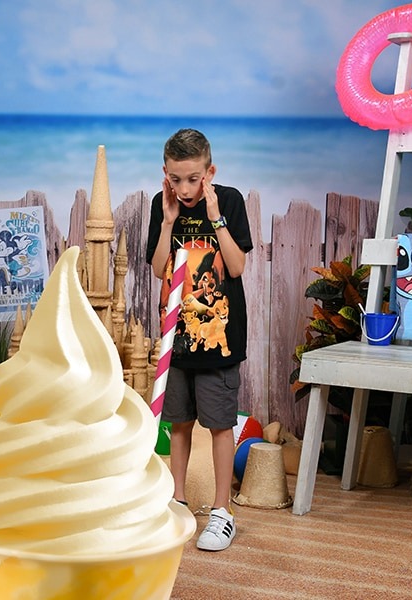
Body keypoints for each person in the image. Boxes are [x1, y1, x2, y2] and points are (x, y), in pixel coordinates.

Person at [145, 128, 252, 551]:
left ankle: (222, 511)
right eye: (176, 178)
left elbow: (237, 265)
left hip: (220, 336)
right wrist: (169, 221)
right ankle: (177, 500)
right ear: (165, 174)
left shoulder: (229, 200)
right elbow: (158, 269)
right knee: (180, 423)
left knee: (221, 425)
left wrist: (215, 215)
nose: (185, 188)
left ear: (210, 172)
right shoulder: (163, 204)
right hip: (177, 338)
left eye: (193, 178)